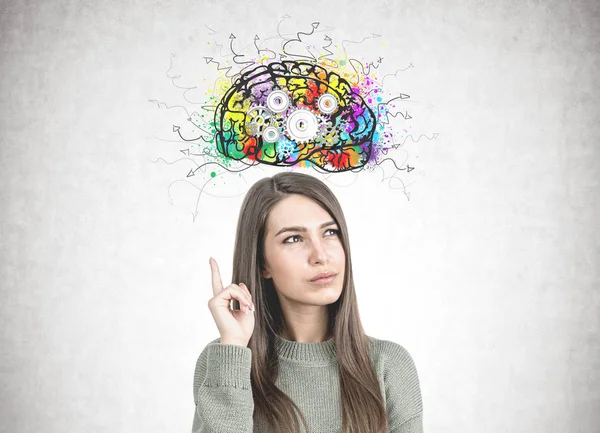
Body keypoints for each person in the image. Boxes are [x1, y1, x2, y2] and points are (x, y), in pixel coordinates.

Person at [192, 172, 424, 433]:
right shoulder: (226, 360)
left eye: (330, 232)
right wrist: (234, 345)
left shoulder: (388, 364)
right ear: (262, 263)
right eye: (294, 238)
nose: (321, 255)